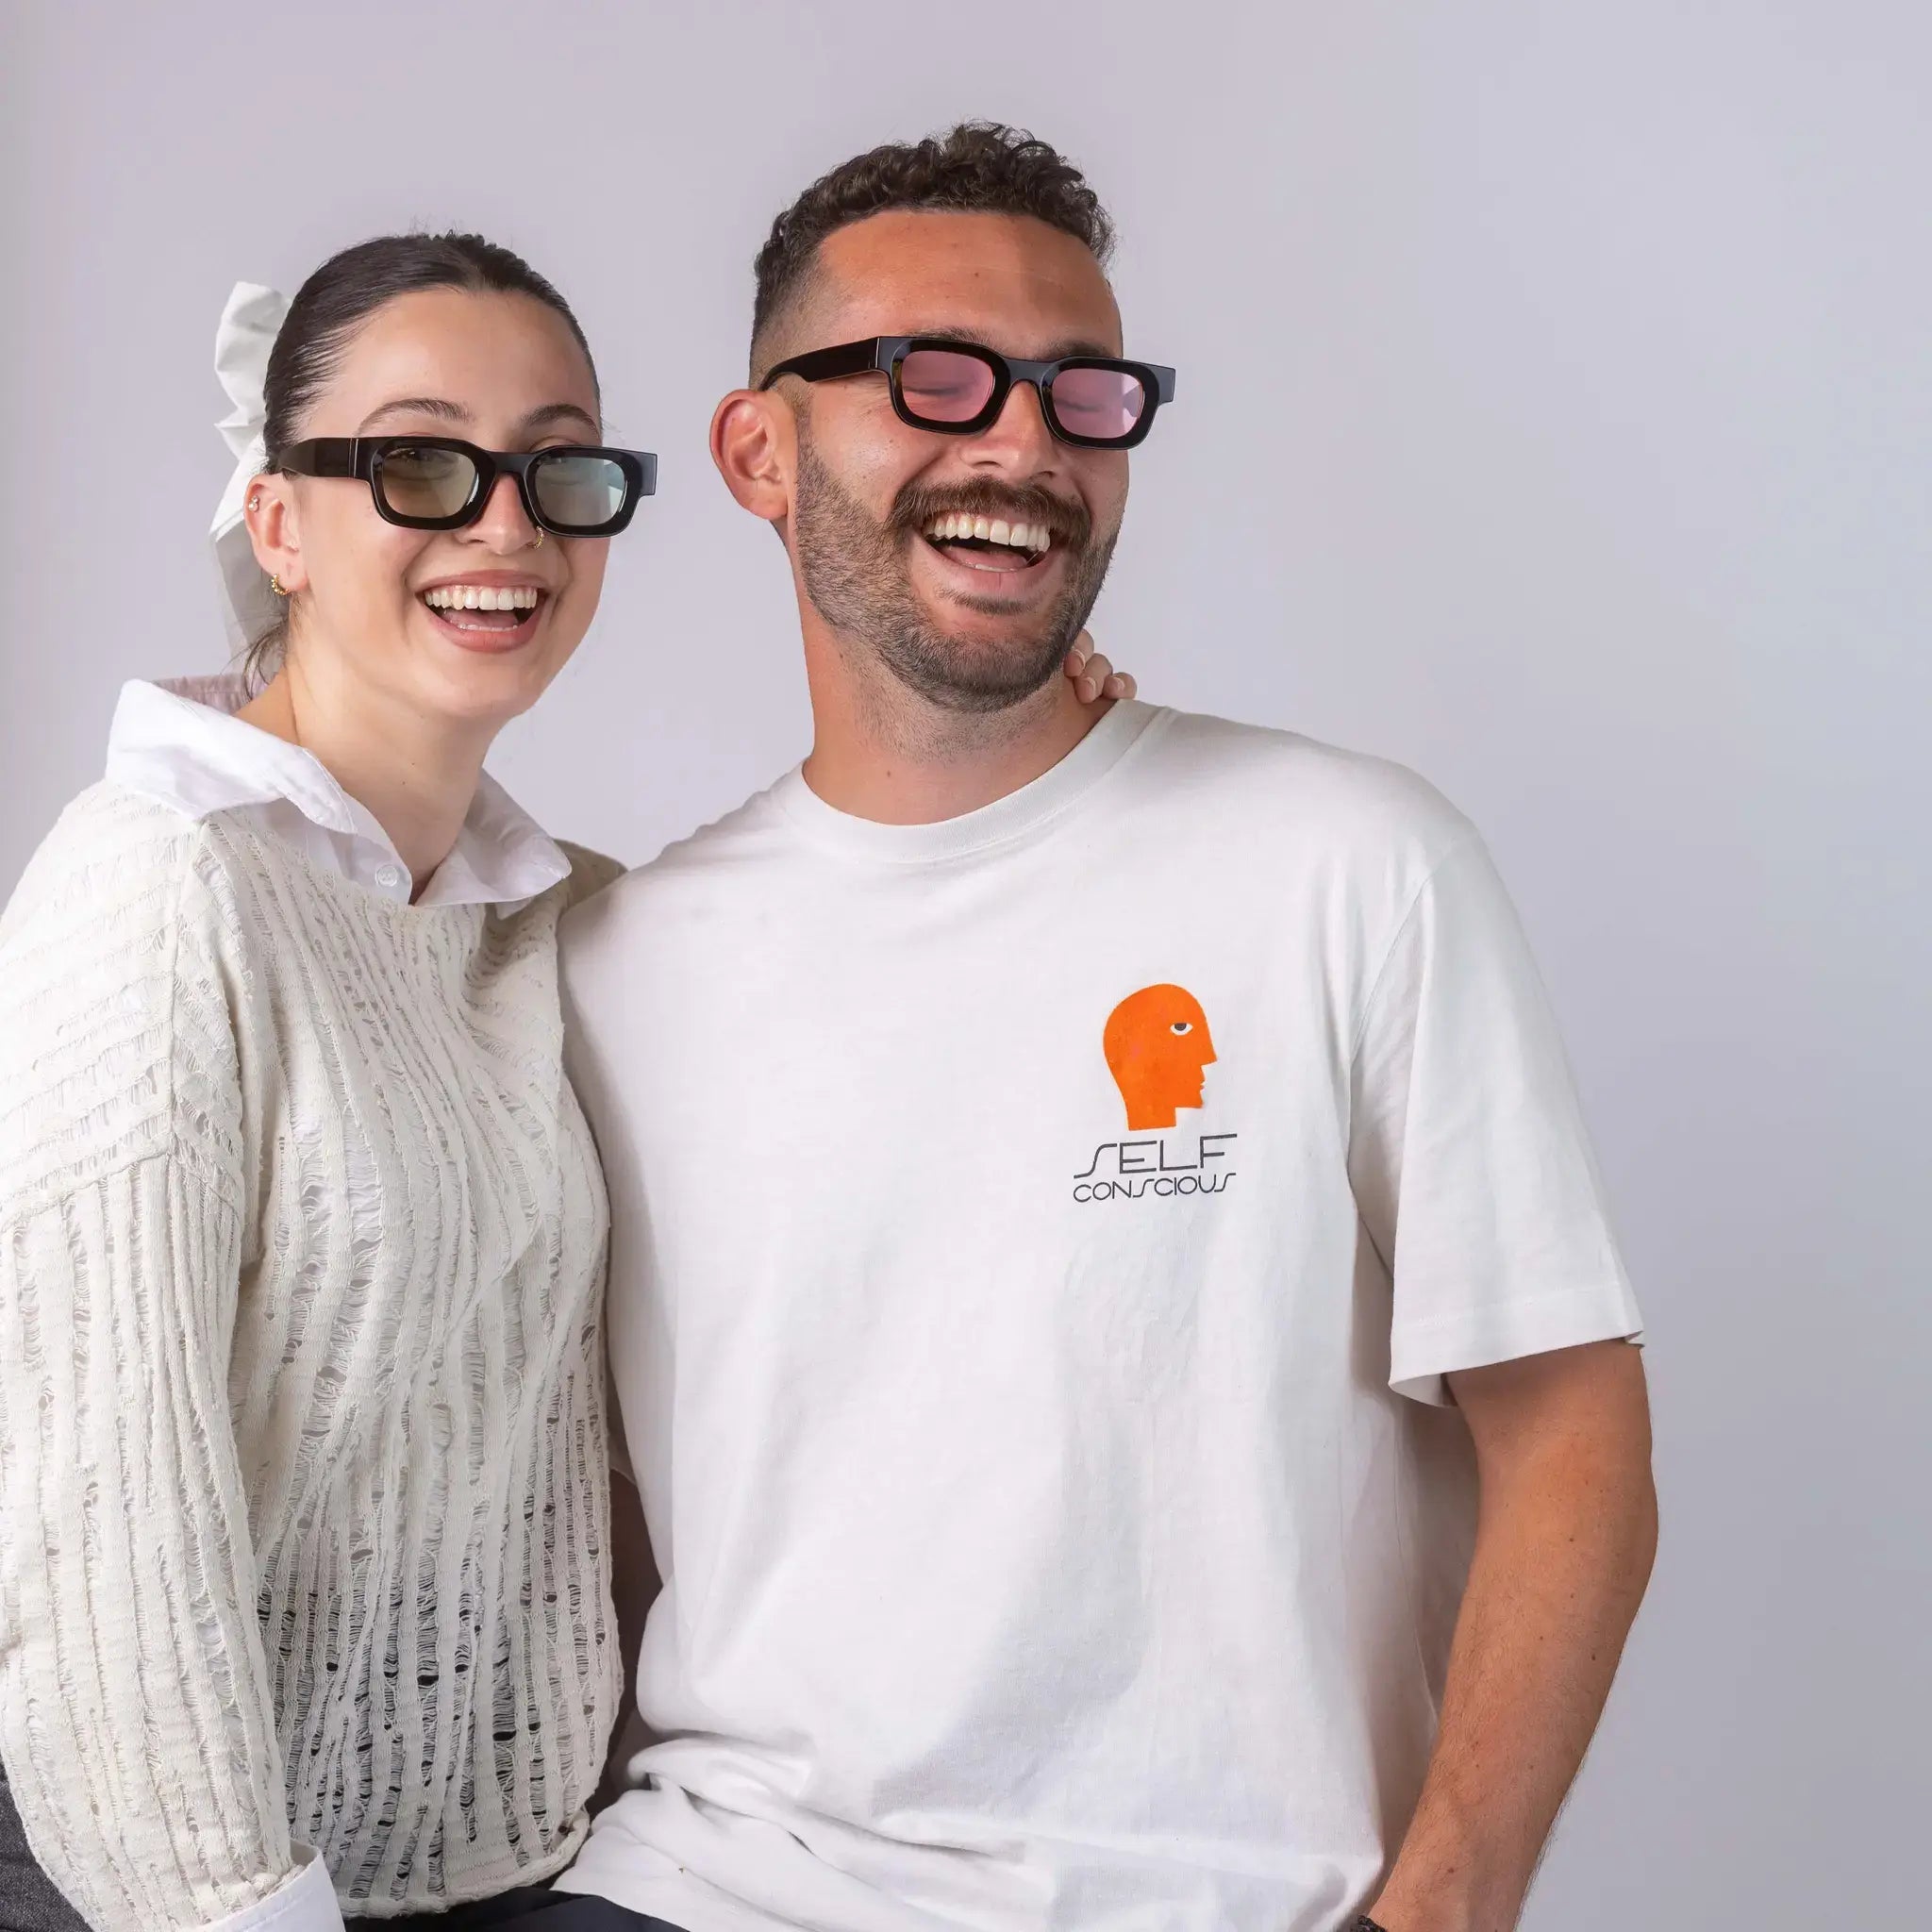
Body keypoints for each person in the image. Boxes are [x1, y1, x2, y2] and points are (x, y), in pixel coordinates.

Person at [558, 124, 1658, 1932]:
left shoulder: (1347, 867)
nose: (1020, 444)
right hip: (706, 1883)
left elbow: (1576, 1438)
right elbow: (599, 1527)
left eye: (1083, 394)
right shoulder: (612, 965)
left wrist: (1445, 1905)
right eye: (936, 378)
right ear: (760, 450)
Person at [0, 222, 1141, 1932]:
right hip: (176, 1884)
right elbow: (104, 1532)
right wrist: (234, 1909)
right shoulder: (158, 887)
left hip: (515, 1872)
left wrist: (1058, 761)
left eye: (558, 472)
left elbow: (877, 985)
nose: (506, 528)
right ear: (279, 516)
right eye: (422, 464)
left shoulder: (556, 927)